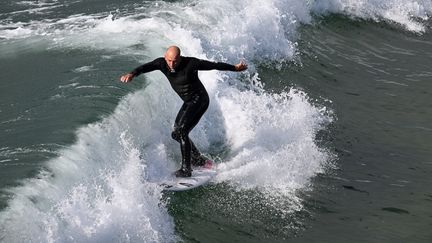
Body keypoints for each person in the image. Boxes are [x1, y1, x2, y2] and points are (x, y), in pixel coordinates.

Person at [120, 46, 247, 177]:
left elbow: (214, 65)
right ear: (165, 57)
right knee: (176, 134)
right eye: (169, 60)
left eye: (175, 61)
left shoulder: (191, 63)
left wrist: (235, 68)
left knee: (181, 132)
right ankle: (198, 160)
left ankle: (187, 170)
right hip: (188, 102)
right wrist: (132, 74)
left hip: (200, 100)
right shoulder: (161, 63)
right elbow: (145, 67)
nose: (172, 64)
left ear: (180, 58)